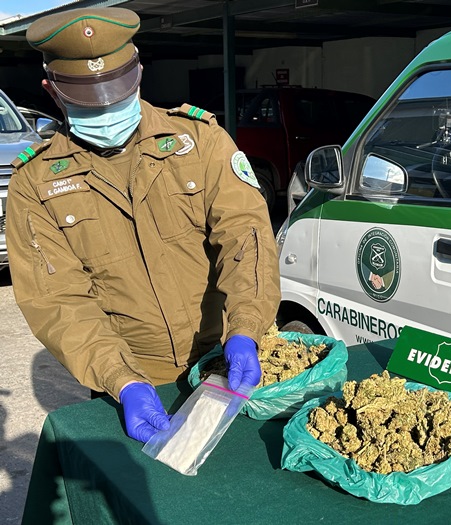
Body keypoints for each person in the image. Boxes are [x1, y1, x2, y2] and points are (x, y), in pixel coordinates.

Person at [6, 7, 281, 443]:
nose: (107, 108)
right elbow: (57, 299)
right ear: (53, 92)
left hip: (225, 359)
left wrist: (246, 328)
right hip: (131, 379)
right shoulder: (35, 184)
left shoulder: (201, 142)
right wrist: (124, 380)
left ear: (137, 74)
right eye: (88, 100)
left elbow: (246, 236)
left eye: (117, 92)